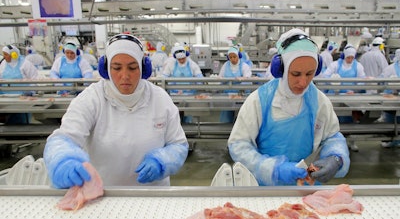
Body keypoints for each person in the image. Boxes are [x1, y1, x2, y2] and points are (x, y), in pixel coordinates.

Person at [43, 34, 189, 188]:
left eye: (132, 67)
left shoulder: (160, 99)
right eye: (117, 68)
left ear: (143, 68)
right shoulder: (92, 99)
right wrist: (63, 160)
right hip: (103, 195)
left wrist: (163, 161)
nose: (125, 75)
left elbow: (178, 144)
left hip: (152, 195)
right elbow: (63, 138)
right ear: (105, 68)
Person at [227, 28, 350, 186]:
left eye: (309, 73)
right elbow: (238, 144)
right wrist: (274, 169)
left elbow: (332, 137)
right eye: (296, 74)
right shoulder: (260, 100)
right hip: (266, 188)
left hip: (306, 186)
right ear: (281, 69)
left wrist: (336, 157)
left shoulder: (319, 101)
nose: (303, 82)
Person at [0, 44, 39, 124]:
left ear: (13, 55)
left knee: (21, 118)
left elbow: (35, 78)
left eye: (6, 54)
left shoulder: (24, 63)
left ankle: (23, 133)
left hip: (22, 96)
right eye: (4, 54)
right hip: (5, 97)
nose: (4, 57)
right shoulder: (3, 64)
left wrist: (30, 91)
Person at [218, 46, 252, 123]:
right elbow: (221, 77)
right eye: (230, 57)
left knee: (242, 116)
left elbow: (248, 78)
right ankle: (226, 130)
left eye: (234, 57)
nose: (233, 59)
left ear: (238, 56)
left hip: (241, 95)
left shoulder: (244, 66)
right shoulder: (226, 65)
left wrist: (244, 79)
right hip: (228, 95)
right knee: (226, 117)